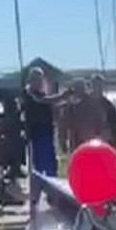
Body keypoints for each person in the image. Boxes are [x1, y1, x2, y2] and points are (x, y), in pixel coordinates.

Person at [22, 67, 69, 207]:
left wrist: (63, 102)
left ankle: (52, 197)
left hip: (47, 135)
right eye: (37, 79)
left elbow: (51, 105)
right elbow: (44, 101)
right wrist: (61, 97)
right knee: (38, 170)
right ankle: (35, 199)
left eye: (41, 79)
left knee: (50, 168)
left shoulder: (40, 94)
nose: (40, 82)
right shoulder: (30, 93)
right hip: (37, 137)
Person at [90, 73, 116, 150]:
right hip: (89, 142)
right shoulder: (85, 105)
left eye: (99, 85)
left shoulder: (108, 106)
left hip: (105, 142)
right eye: (95, 85)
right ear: (91, 86)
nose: (97, 88)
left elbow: (115, 128)